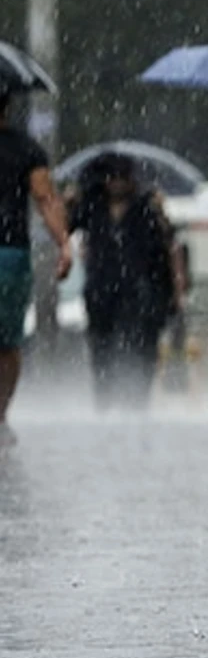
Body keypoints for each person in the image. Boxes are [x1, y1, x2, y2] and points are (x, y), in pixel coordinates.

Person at [68, 153, 181, 412]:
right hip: (101, 289)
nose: (117, 182)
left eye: (122, 177)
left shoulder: (146, 207)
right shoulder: (92, 206)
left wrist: (174, 290)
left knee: (141, 347)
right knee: (101, 348)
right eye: (112, 177)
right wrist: (70, 202)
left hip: (140, 290)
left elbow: (168, 244)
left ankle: (137, 401)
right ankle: (104, 401)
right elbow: (67, 226)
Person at [0, 91, 72, 443]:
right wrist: (64, 243)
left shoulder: (27, 150)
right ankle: (0, 414)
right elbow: (46, 200)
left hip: (10, 256)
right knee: (8, 341)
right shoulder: (27, 150)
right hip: (11, 255)